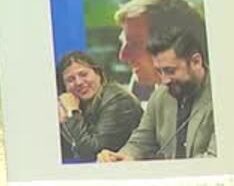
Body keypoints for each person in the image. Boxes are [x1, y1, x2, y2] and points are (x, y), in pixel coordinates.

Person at [100, 29, 214, 162]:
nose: (164, 80)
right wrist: (122, 157)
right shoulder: (160, 95)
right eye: (159, 71)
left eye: (170, 71)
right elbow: (140, 142)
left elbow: (214, 158)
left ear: (196, 61)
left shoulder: (222, 96)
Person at [57, 52, 144, 164]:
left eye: (83, 74)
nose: (78, 82)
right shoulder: (78, 104)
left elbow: (91, 152)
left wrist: (73, 114)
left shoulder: (119, 100)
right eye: (70, 79)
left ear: (99, 74)